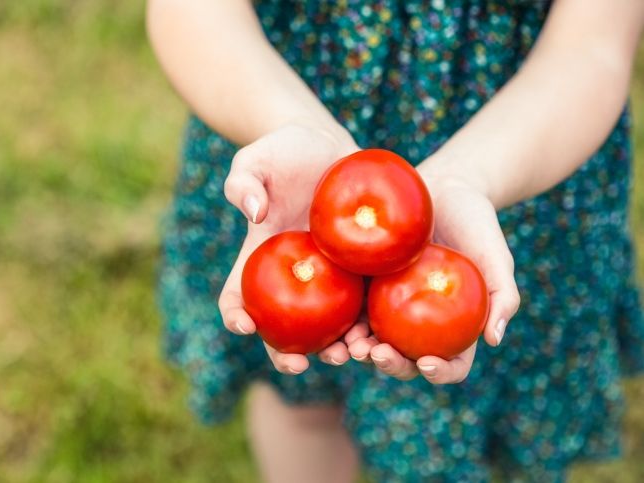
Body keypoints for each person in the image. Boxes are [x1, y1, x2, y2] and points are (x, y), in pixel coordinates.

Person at [148, 1, 644, 481]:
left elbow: (593, 45)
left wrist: (469, 178)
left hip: (518, 158)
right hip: (282, 134)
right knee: (299, 399)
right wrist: (292, 124)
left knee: (477, 414)